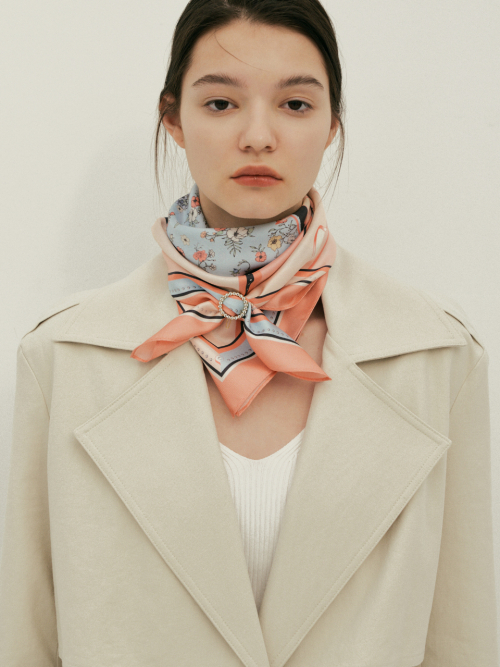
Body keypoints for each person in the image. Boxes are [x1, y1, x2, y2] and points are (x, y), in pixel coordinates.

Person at [0, 0, 498, 665]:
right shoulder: (61, 358)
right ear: (173, 118)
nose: (259, 136)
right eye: (220, 103)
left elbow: (463, 639)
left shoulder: (438, 356)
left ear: (332, 126)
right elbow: (26, 640)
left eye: (295, 104)